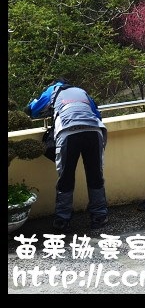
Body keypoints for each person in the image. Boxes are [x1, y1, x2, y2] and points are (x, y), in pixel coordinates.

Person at [27, 82, 108, 231]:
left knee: (66, 177)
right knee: (95, 175)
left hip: (68, 132)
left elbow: (32, 110)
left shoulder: (53, 90)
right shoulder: (81, 91)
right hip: (94, 131)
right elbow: (97, 113)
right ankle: (99, 217)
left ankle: (62, 220)